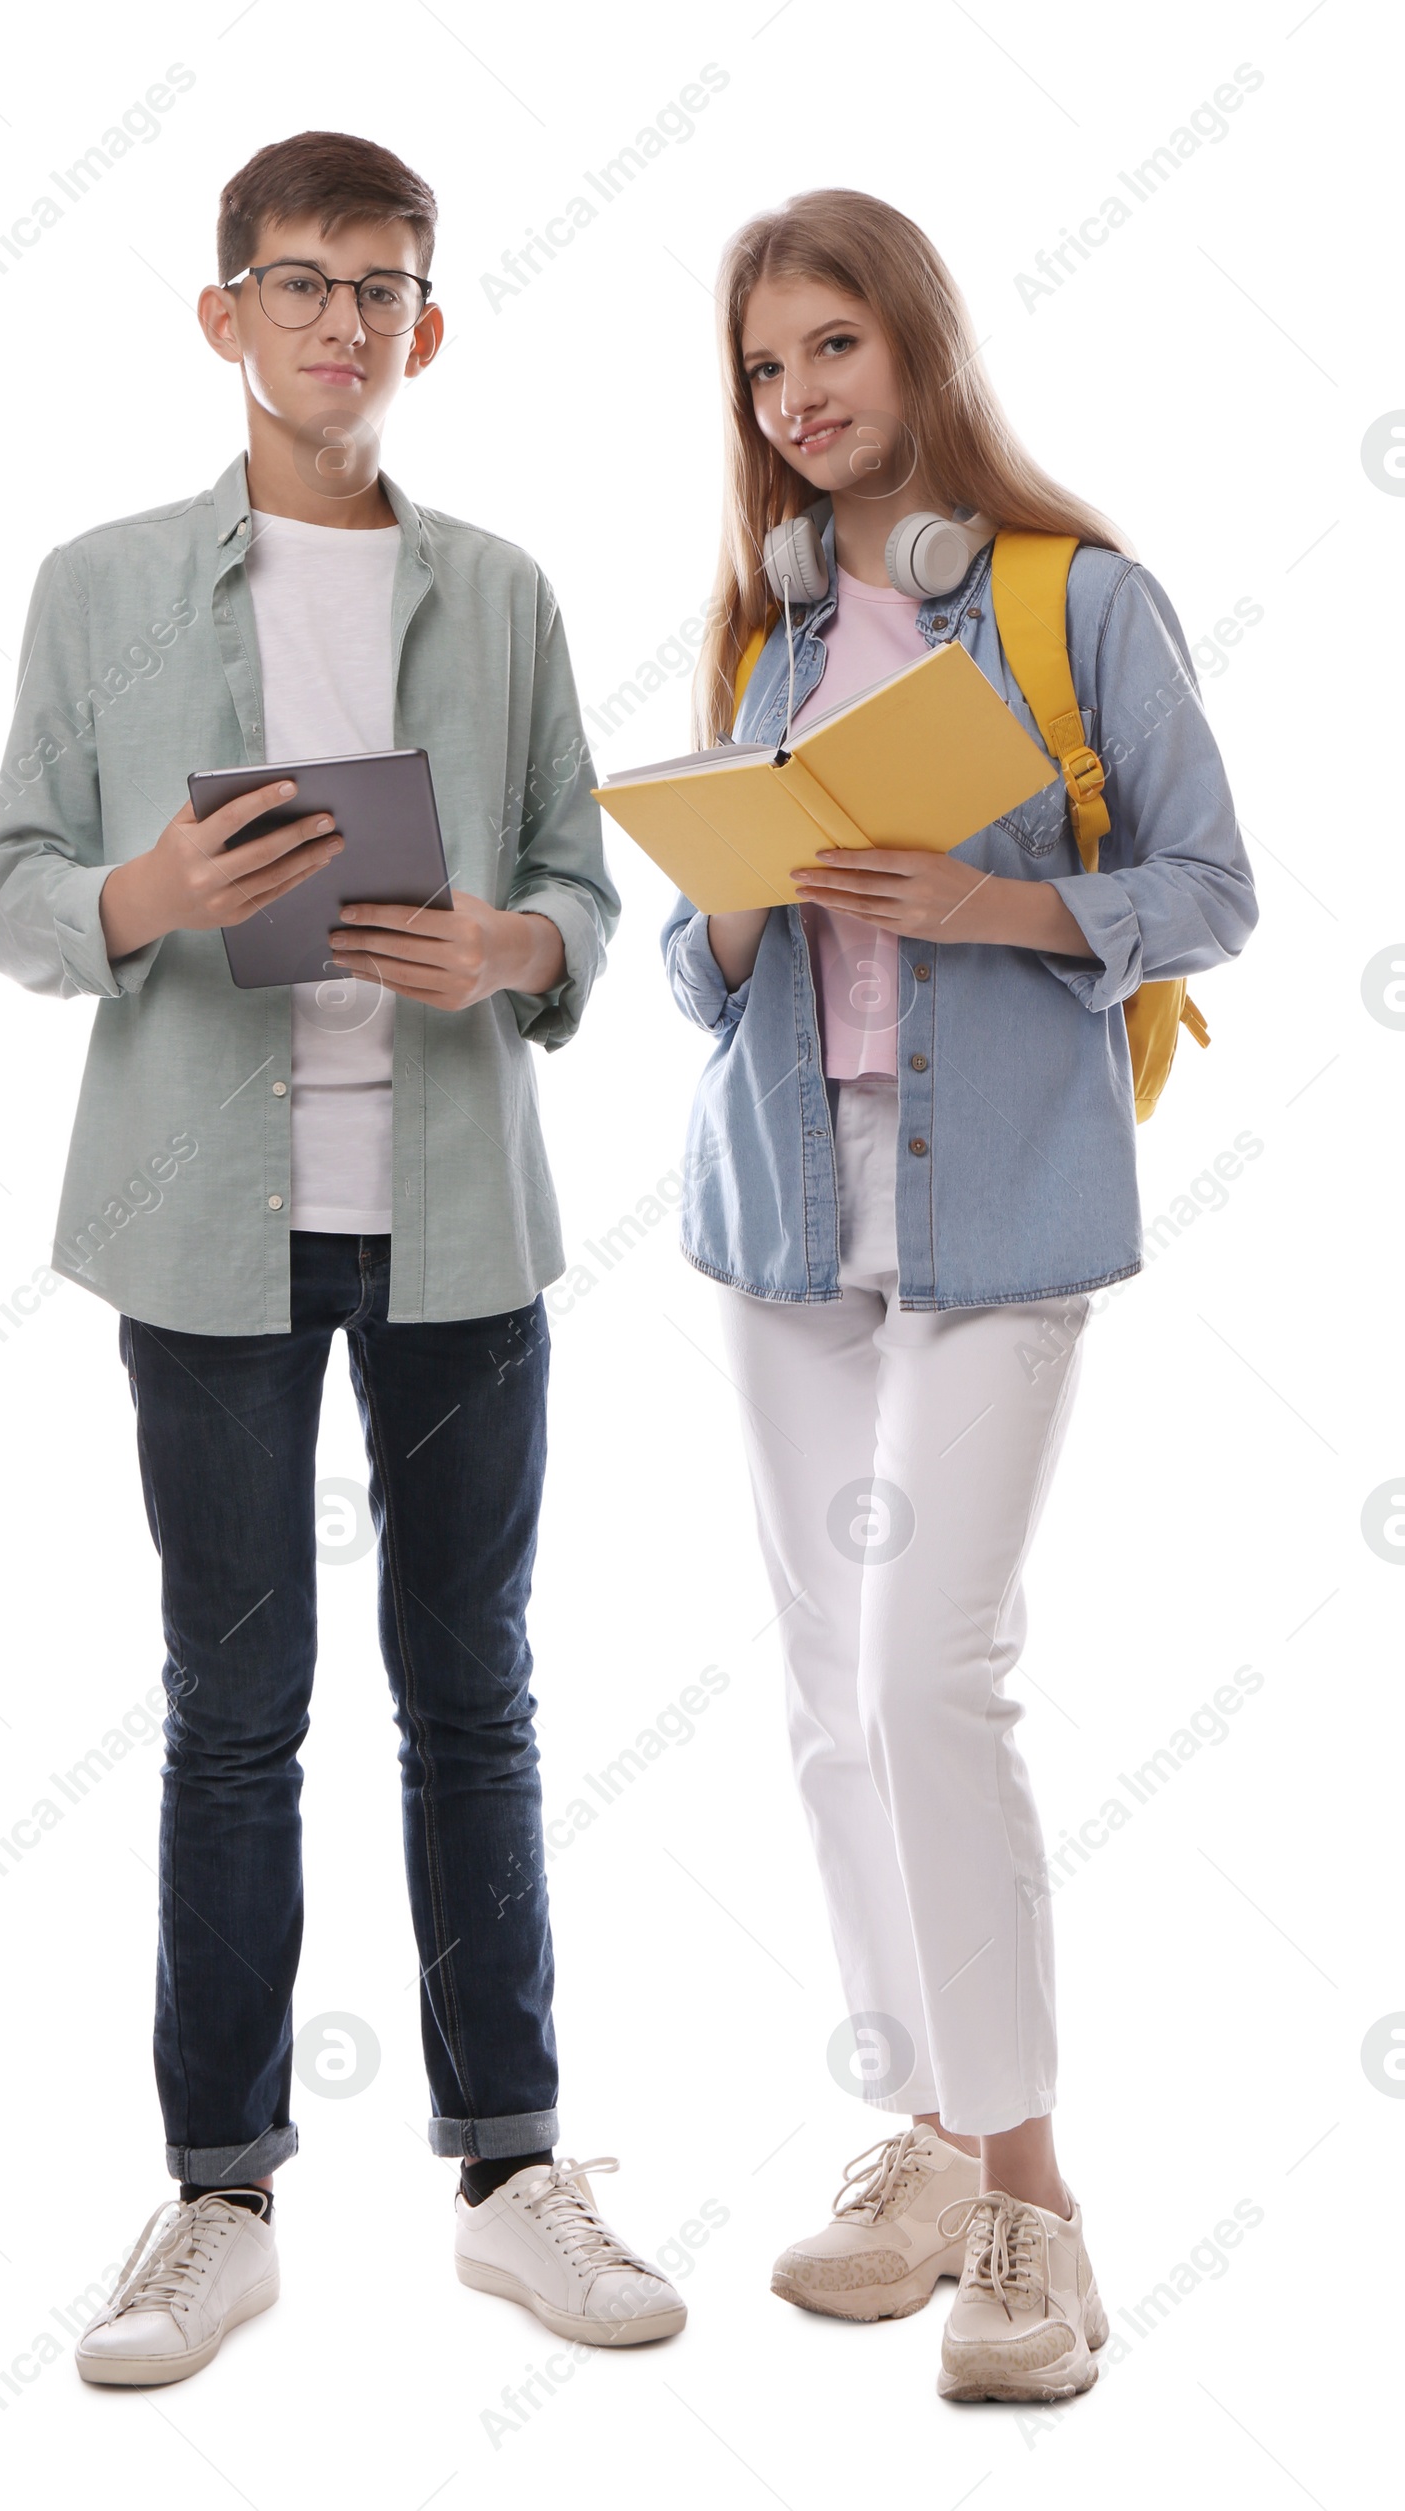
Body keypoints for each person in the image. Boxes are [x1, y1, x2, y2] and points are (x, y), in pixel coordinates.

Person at [0, 128, 685, 2386]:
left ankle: (511, 2170)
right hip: (203, 1215)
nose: (340, 325)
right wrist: (138, 903)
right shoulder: (95, 587)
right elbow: (8, 877)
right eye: (300, 284)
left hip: (461, 1208)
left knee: (470, 1692)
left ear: (427, 327)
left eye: (381, 289)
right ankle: (215, 2192)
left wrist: (514, 944)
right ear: (224, 317)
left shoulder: (500, 589)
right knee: (231, 1709)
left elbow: (584, 875)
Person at [661, 188, 1256, 2404]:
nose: (797, 400)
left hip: (992, 1214)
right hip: (780, 1224)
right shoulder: (767, 628)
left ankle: (1035, 2204)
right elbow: (696, 979)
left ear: (912, 346)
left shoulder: (1069, 598)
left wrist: (978, 903)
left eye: (828, 348)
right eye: (758, 371)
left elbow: (1209, 885)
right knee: (828, 1697)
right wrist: (723, 907)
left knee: (931, 1676)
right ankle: (923, 2136)